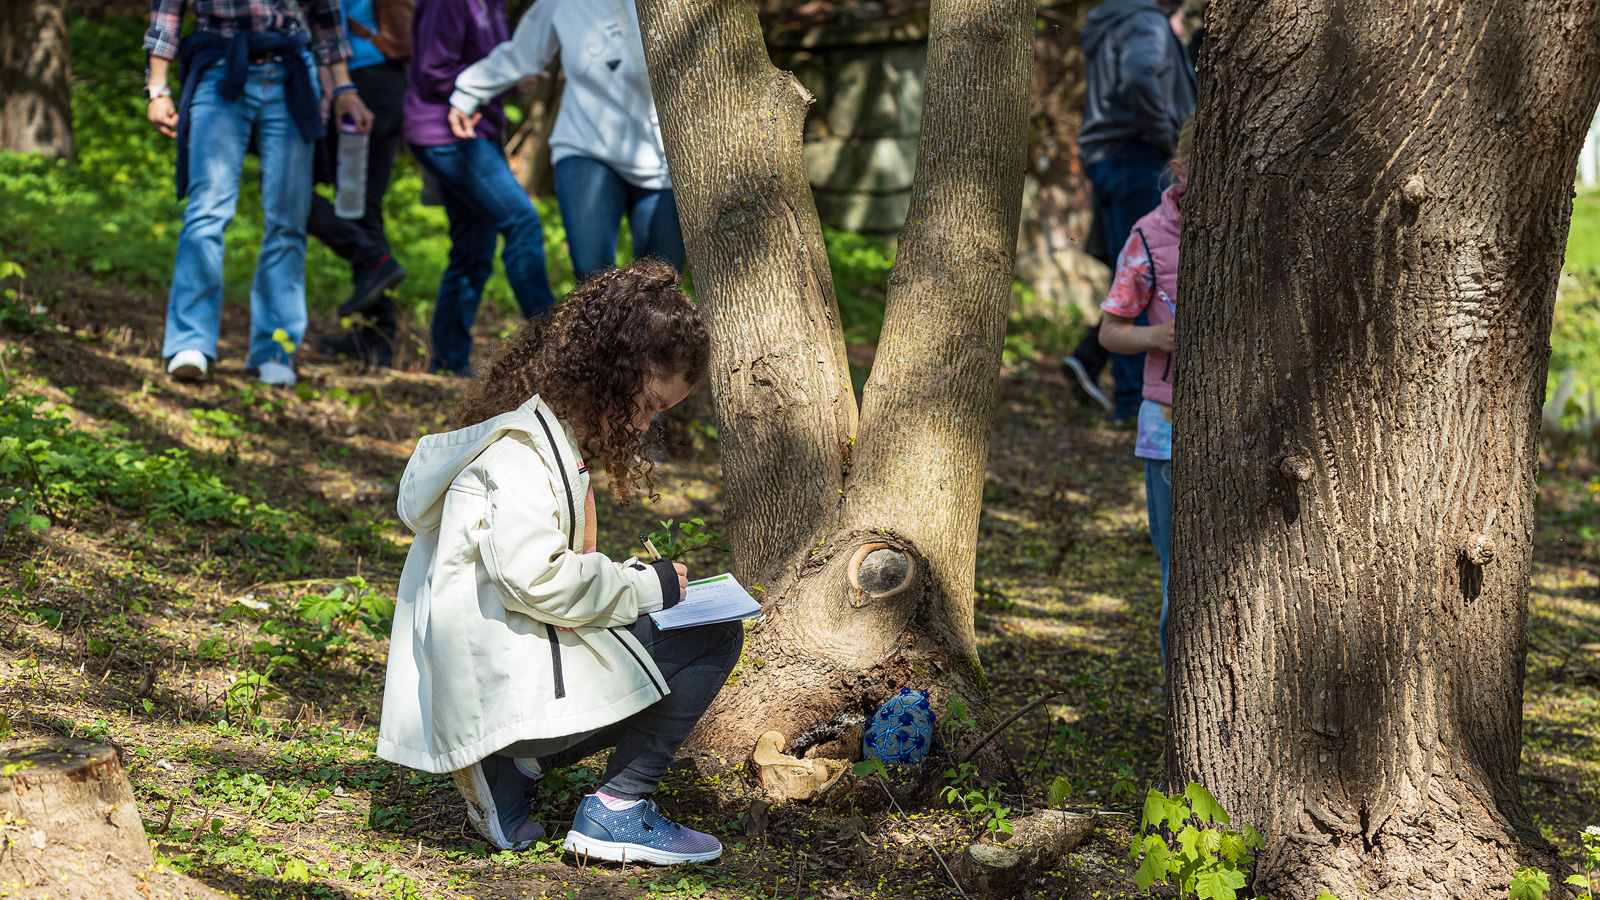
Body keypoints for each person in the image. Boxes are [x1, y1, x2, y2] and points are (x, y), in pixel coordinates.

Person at [376, 258, 738, 863]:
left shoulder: (549, 438)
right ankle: (620, 807)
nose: (645, 425)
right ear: (609, 373)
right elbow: (538, 578)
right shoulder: (521, 455)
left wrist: (625, 585)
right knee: (715, 630)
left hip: (506, 670)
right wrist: (643, 588)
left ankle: (513, 767)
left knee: (670, 622)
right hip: (497, 687)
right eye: (646, 405)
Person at [145, 0, 375, 387]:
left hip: (291, 74)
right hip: (219, 67)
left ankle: (275, 349)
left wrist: (344, 89)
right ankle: (190, 343)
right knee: (207, 210)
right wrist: (157, 87)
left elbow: (326, 17)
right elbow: (167, 9)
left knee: (288, 220)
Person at [447, 0, 685, 282]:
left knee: (660, 282)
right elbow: (522, 53)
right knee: (593, 277)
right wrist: (467, 94)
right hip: (585, 144)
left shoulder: (678, 6)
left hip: (665, 158)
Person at [405, 0, 559, 377]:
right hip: (447, 133)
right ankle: (558, 345)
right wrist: (493, 81)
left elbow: (493, 64)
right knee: (521, 221)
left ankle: (447, 358)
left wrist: (510, 80)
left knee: (474, 248)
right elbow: (433, 69)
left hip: (476, 132)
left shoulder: (492, 4)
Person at [1059, 0, 1195, 421]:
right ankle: (1135, 405)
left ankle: (1110, 380)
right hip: (1137, 155)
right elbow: (1140, 74)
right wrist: (1168, 137)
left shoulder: (1110, 19)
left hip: (1108, 156)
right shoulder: (1145, 20)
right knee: (1146, 281)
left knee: (1133, 273)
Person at [1095, 121, 1190, 668]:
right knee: (1178, 574)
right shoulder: (1148, 235)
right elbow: (1110, 331)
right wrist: (1156, 335)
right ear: (1179, 171)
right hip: (1167, 423)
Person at [309, 0, 414, 368]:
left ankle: (373, 263)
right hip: (384, 82)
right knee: (362, 208)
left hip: (356, 86)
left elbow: (326, 22)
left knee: (295, 193)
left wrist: (336, 89)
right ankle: (378, 338)